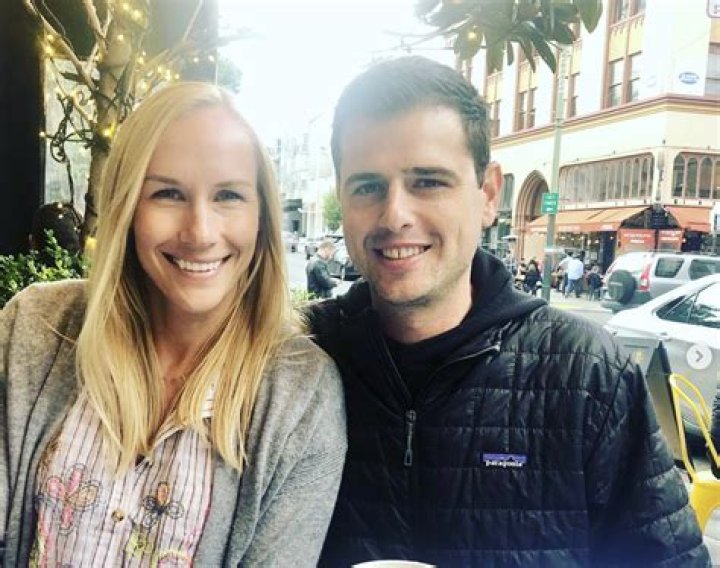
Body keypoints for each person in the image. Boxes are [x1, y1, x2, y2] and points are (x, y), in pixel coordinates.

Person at [308, 56, 708, 566]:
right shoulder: (296, 364)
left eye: (428, 181)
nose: (395, 215)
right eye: (367, 186)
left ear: (488, 194)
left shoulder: (588, 374)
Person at [0, 83, 346, 566]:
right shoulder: (34, 325)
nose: (200, 232)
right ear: (127, 209)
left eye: (228, 195)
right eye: (167, 193)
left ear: (262, 217)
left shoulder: (301, 394)